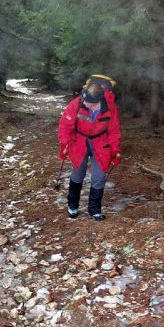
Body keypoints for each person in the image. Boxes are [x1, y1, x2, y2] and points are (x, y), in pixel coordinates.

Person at [58, 77, 122, 221]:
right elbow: (65, 125)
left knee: (99, 177)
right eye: (84, 101)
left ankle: (94, 210)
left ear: (99, 100)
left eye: (90, 103)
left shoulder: (110, 108)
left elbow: (114, 130)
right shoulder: (77, 104)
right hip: (79, 141)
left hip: (101, 143)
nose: (85, 104)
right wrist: (65, 142)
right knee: (77, 174)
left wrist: (115, 149)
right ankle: (72, 206)